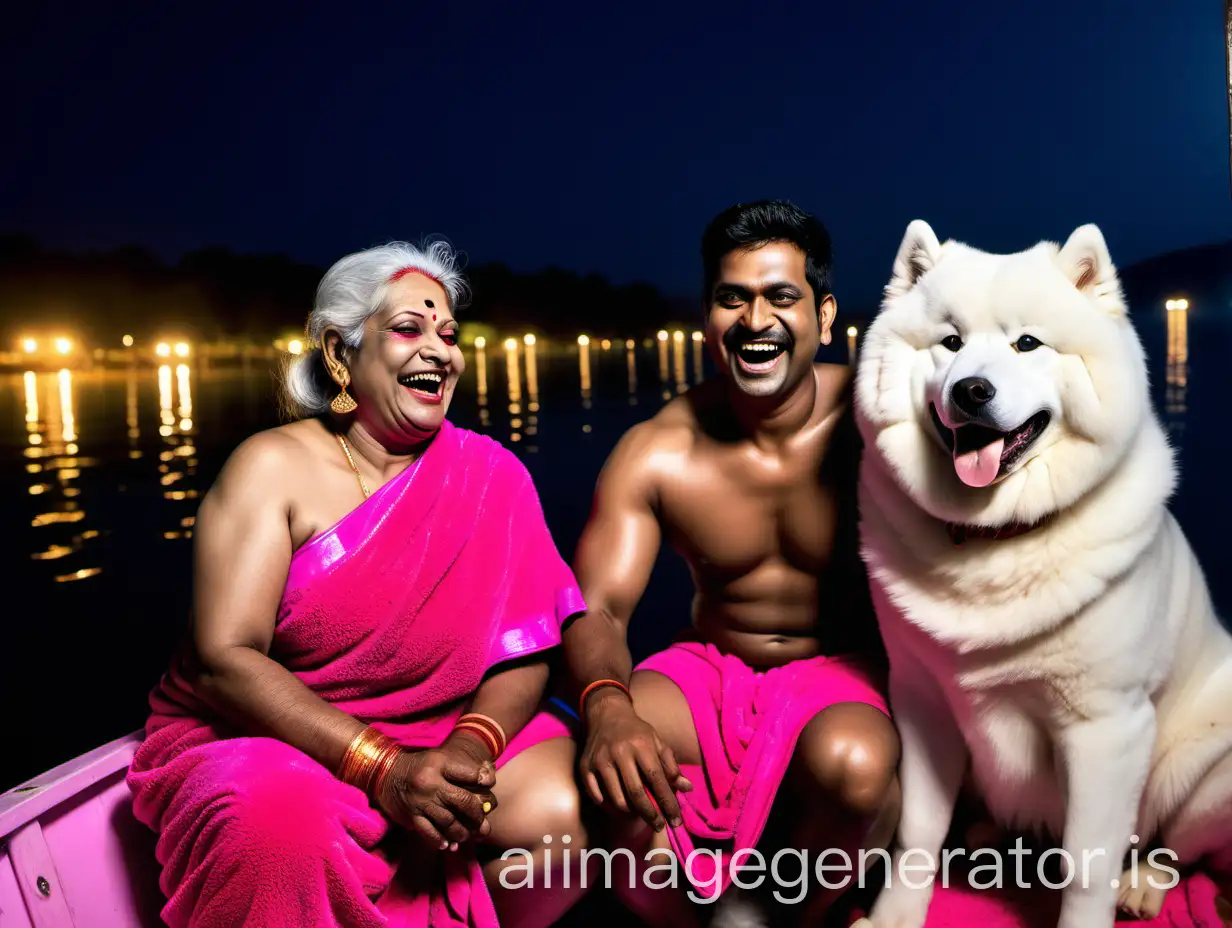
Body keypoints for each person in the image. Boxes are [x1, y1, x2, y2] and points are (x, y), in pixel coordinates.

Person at [128, 241, 591, 928]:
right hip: (280, 739)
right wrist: (384, 767)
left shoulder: (490, 475)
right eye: (409, 328)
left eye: (449, 335)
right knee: (278, 832)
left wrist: (467, 749)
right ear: (342, 356)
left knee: (564, 816)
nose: (441, 351)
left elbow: (526, 646)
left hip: (438, 732)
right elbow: (223, 661)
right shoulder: (272, 468)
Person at [562, 200, 900, 925]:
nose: (755, 321)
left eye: (781, 297)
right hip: (708, 676)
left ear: (826, 314)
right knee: (613, 770)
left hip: (846, 672)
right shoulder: (659, 451)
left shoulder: (883, 425)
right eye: (732, 298)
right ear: (708, 315)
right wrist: (608, 708)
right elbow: (597, 608)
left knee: (858, 766)